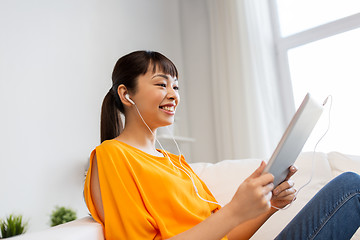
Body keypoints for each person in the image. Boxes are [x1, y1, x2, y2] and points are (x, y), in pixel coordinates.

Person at [84, 50, 360, 240]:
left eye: (176, 87)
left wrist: (270, 205)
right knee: (351, 187)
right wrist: (234, 210)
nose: (173, 95)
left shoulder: (174, 162)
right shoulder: (112, 156)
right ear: (125, 94)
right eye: (161, 84)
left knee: (350, 185)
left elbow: (225, 235)